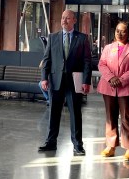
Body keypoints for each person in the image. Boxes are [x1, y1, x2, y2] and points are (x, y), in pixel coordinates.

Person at [38, 10, 92, 155]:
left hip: (75, 82)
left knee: (75, 113)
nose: (64, 20)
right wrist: (44, 78)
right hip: (55, 81)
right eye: (62, 18)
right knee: (54, 113)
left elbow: (87, 61)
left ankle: (77, 145)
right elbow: (46, 59)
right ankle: (51, 142)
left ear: (74, 20)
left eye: (67, 18)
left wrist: (86, 81)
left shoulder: (82, 38)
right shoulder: (53, 37)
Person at [97, 21, 129, 161]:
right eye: (117, 30)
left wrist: (121, 80)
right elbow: (102, 64)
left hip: (128, 88)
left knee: (126, 118)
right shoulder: (108, 47)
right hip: (108, 86)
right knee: (110, 117)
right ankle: (111, 146)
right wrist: (111, 78)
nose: (119, 33)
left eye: (123, 31)